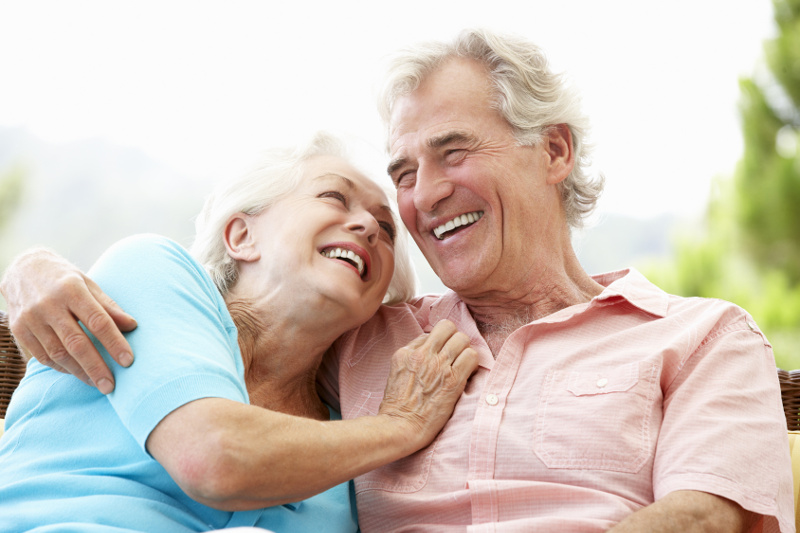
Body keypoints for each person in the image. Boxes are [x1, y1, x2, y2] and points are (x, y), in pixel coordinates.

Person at [1, 29, 793, 532]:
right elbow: (223, 371)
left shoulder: (703, 336)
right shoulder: (368, 342)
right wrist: (34, 269)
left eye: (453, 153)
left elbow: (704, 518)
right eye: (402, 172)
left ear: (554, 151)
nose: (415, 201)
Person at [0, 131, 478, 532]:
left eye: (386, 228)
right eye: (334, 197)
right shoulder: (154, 272)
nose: (368, 227)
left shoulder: (348, 440)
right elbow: (214, 459)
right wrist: (401, 426)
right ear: (241, 236)